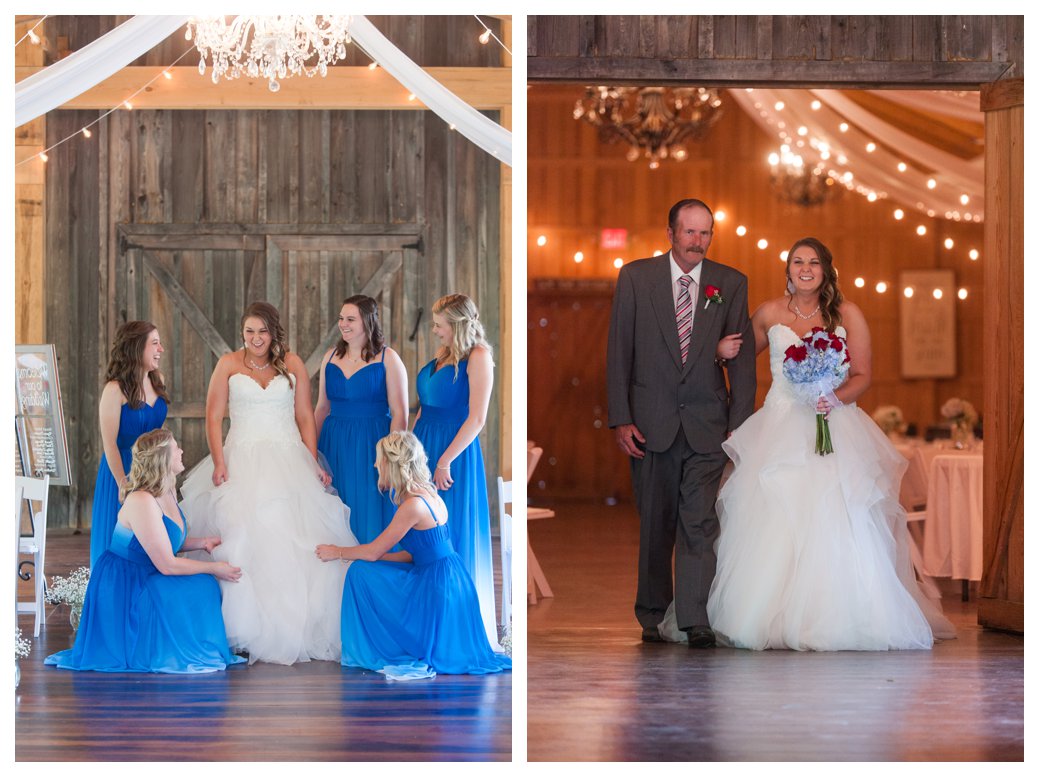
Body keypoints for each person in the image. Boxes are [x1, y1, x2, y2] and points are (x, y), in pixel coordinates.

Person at [679, 236, 955, 650]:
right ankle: (761, 616)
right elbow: (736, 360)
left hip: (834, 422)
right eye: (797, 262)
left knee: (838, 516)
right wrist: (718, 351)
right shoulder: (769, 312)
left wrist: (834, 397)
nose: (804, 268)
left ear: (826, 270)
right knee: (772, 518)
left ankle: (841, 614)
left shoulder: (848, 314)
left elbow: (862, 374)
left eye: (813, 262)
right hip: (779, 424)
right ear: (788, 269)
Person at [607, 198, 757, 648]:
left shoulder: (730, 283)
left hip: (709, 424)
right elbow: (619, 352)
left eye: (705, 233)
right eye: (689, 232)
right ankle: (652, 613)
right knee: (656, 522)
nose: (697, 242)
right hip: (650, 424)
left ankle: (695, 618)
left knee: (699, 523)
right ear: (670, 234)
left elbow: (744, 362)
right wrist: (621, 418)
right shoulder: (636, 277)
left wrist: (740, 425)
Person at [179, 301, 358, 665]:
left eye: (262, 331)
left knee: (293, 540)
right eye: (249, 331)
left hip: (287, 458)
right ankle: (243, 630)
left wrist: (311, 462)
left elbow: (305, 416)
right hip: (241, 459)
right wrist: (218, 461)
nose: (256, 338)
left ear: (273, 332)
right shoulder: (228, 364)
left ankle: (296, 625)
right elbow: (213, 417)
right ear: (241, 332)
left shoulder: (291, 364)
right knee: (242, 537)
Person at [316, 431, 512, 680]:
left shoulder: (413, 506)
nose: (375, 464)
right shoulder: (429, 495)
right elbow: (411, 555)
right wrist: (375, 561)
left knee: (359, 573)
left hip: (437, 588)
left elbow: (375, 550)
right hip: (449, 577)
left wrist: (338, 552)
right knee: (365, 567)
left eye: (379, 460)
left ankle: (373, 647)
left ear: (392, 464)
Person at [47, 430, 244, 673]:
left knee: (204, 584)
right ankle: (182, 650)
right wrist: (215, 568)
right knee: (204, 585)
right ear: (162, 458)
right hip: (126, 581)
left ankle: (197, 646)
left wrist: (202, 542)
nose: (182, 452)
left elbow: (163, 542)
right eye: (176, 448)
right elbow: (168, 564)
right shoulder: (141, 500)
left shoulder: (168, 490)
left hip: (149, 568)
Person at [412, 293, 501, 650]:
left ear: (457, 323)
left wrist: (444, 459)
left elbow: (477, 418)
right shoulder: (442, 355)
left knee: (451, 532)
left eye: (439, 324)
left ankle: (455, 627)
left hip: (454, 451)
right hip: (424, 447)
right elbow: (423, 409)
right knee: (420, 531)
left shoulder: (478, 357)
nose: (434, 330)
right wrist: (412, 455)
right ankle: (426, 619)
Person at [315, 295, 408, 543]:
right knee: (337, 500)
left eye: (350, 319)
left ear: (367, 322)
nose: (343, 324)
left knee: (367, 505)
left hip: (372, 443)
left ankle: (369, 565)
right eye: (341, 319)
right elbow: (322, 408)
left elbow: (400, 412)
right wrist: (311, 451)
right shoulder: (330, 357)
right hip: (333, 443)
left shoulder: (388, 358)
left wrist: (390, 458)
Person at [90, 321, 170, 567]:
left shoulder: (158, 380)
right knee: (120, 542)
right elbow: (110, 443)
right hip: (123, 470)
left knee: (154, 542)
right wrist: (125, 485)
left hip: (154, 471)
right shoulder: (115, 390)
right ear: (137, 348)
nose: (161, 349)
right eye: (154, 343)